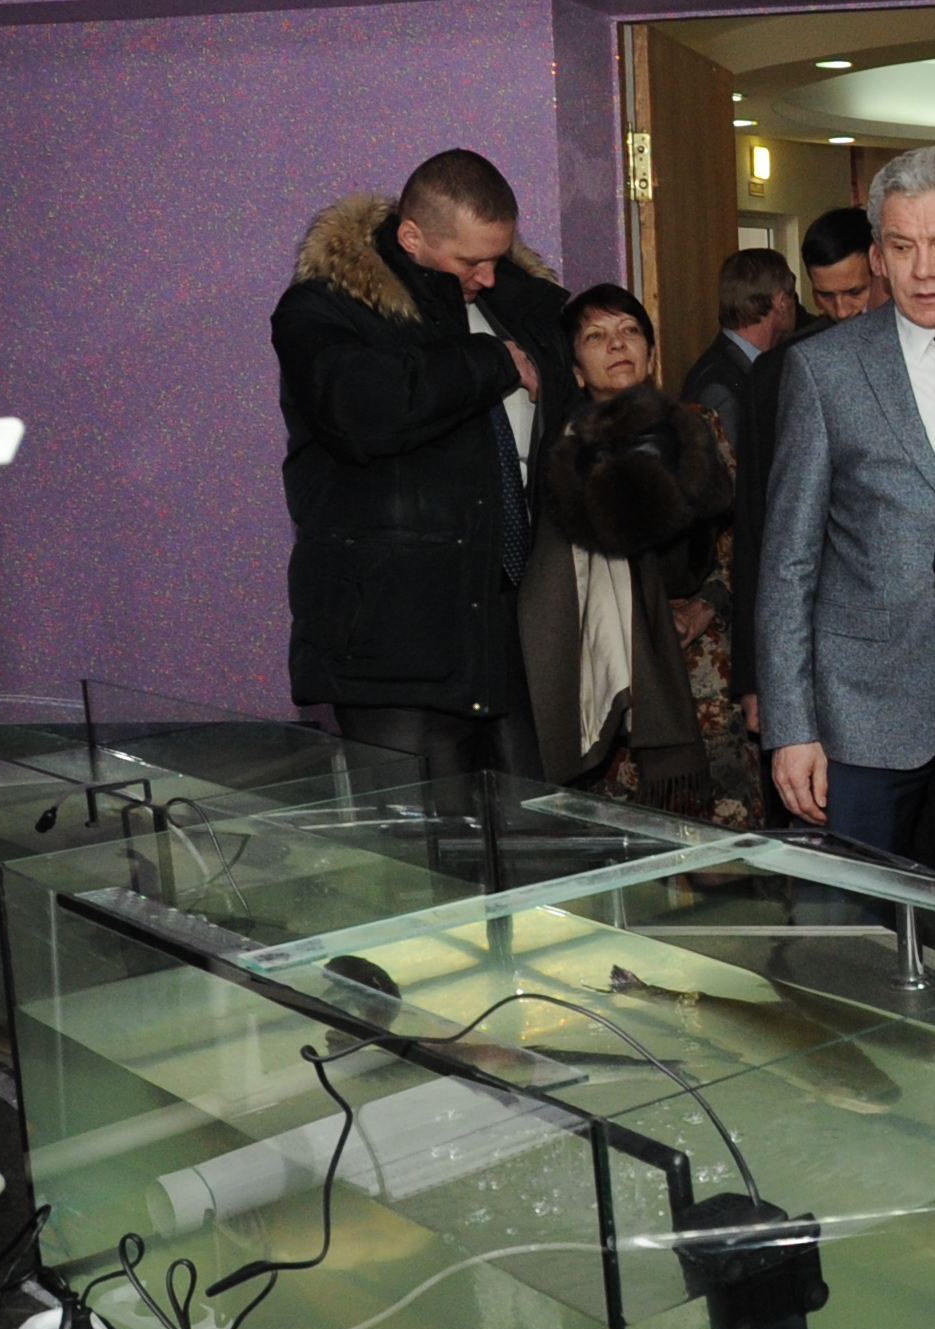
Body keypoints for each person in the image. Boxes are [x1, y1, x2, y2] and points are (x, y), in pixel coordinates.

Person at [756, 148, 935, 885]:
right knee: (847, 921)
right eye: (901, 245)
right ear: (878, 256)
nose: (923, 270)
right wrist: (792, 727)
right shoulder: (824, 369)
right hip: (860, 712)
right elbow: (788, 561)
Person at [273, 148, 571, 803]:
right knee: (412, 848)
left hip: (503, 628)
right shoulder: (324, 308)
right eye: (470, 262)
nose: (488, 277)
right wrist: (489, 360)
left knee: (531, 835)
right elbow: (364, 414)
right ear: (412, 237)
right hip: (390, 639)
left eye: (498, 257)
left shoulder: (517, 306)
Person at [519, 285, 761, 827]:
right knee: (633, 839)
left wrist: (708, 604)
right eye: (596, 336)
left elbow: (741, 538)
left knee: (728, 838)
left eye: (630, 331)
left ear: (650, 352)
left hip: (709, 664)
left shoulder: (699, 425)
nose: (617, 345)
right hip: (619, 673)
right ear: (575, 369)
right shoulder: (566, 451)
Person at [732, 206, 888, 737]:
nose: (843, 311)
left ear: (881, 265)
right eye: (825, 297)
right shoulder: (781, 371)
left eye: (855, 292)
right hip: (819, 641)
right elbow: (758, 528)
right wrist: (755, 675)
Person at [677, 247, 799, 451]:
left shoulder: (743, 366)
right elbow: (733, 467)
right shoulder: (720, 389)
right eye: (792, 296)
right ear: (781, 303)